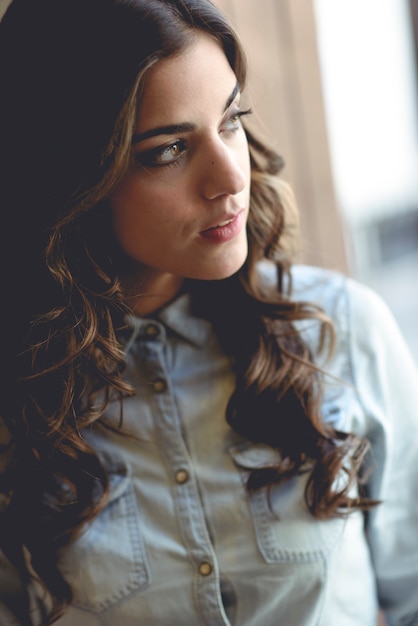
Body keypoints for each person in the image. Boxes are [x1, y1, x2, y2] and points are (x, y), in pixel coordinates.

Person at [0, 0, 417, 624]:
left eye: (231, 119)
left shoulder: (344, 331)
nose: (230, 176)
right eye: (167, 150)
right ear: (72, 180)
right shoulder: (20, 407)